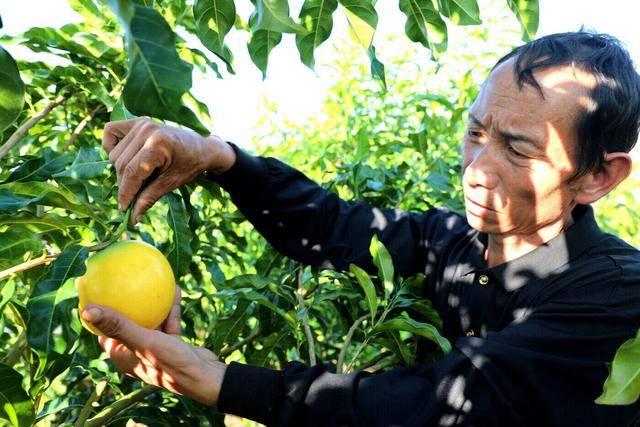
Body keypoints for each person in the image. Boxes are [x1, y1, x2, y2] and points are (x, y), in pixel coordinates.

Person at [82, 31, 640, 426]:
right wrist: (218, 156)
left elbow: (448, 403)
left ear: (598, 176)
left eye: (517, 147)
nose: (476, 166)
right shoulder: (452, 244)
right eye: (475, 131)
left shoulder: (616, 296)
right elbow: (330, 225)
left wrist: (225, 381)